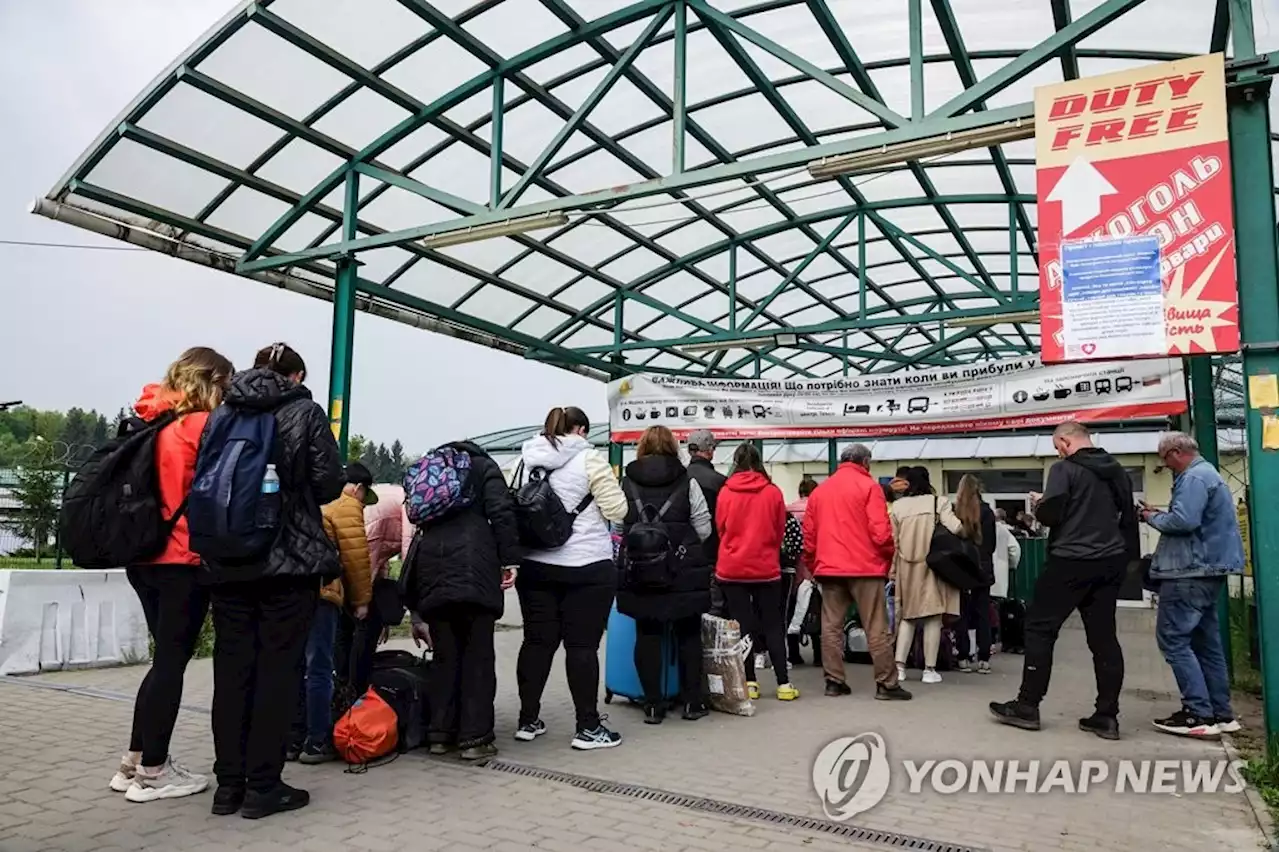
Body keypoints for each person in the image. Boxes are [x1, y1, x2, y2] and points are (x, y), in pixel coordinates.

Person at [204, 343, 344, 819]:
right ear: (297, 373)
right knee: (278, 672)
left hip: (228, 563)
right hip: (286, 563)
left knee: (232, 672)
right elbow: (328, 483)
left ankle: (228, 787)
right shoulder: (304, 411)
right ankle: (263, 787)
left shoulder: (223, 411)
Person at [111, 347, 233, 803]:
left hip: (141, 555)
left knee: (163, 660)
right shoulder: (200, 426)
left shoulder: (148, 419)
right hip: (181, 559)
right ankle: (155, 773)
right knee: (172, 664)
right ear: (212, 381)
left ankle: (133, 761)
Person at [990, 421, 1137, 740]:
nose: (1058, 451)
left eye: (1058, 446)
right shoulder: (1117, 471)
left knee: (1040, 629)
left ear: (1066, 442)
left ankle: (1027, 705)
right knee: (1104, 638)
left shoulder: (1064, 469)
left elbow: (1051, 516)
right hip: (1110, 561)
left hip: (1070, 560)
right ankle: (1107, 716)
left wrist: (1041, 503)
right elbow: (1125, 516)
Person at [514, 406, 628, 750]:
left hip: (535, 565)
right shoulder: (591, 459)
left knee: (536, 643)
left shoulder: (526, 459)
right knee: (581, 647)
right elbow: (618, 510)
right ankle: (587, 727)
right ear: (579, 429)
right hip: (586, 567)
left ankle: (528, 720)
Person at [403, 441, 520, 760]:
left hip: (432, 566)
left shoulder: (435, 470)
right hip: (474, 566)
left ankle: (441, 734)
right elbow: (502, 513)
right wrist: (510, 560)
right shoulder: (484, 467)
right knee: (478, 656)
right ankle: (474, 738)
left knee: (445, 656)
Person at [1142, 433, 1245, 738]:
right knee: (1206, 644)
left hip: (1188, 571)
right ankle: (1221, 714)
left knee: (1173, 640)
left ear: (1175, 453)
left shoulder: (1194, 478)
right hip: (1208, 571)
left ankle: (1197, 714)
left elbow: (1183, 521)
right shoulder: (1209, 474)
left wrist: (1150, 516)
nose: (1166, 466)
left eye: (1165, 460)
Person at [618, 425, 714, 724]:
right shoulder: (688, 480)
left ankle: (653, 706)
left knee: (647, 635)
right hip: (682, 571)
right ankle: (692, 703)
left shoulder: (626, 483)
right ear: (674, 448)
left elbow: (618, 527)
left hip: (640, 571)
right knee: (687, 635)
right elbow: (704, 527)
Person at [802, 444, 909, 700]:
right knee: (876, 626)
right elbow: (881, 533)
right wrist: (885, 558)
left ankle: (834, 681)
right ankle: (886, 684)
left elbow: (809, 536)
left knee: (831, 627)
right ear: (865, 462)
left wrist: (814, 564)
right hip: (865, 568)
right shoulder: (869, 487)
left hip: (829, 568)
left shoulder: (821, 491)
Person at [294, 462, 376, 765]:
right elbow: (356, 556)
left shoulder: (307, 496)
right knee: (319, 667)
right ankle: (317, 741)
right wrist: (362, 600)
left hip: (289, 590)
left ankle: (292, 738)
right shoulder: (347, 504)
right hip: (322, 592)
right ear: (358, 488)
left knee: (293, 666)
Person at [715, 443, 798, 701]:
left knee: (742, 626)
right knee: (773, 624)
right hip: (766, 567)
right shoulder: (773, 492)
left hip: (732, 568)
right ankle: (783, 684)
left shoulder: (726, 492)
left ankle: (749, 682)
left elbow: (721, 528)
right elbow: (779, 529)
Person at [890, 467, 968, 684]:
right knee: (933, 617)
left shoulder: (897, 506)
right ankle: (929, 670)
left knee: (907, 617)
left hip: (907, 567)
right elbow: (956, 528)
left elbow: (893, 542)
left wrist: (893, 570)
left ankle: (899, 667)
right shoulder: (938, 502)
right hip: (933, 566)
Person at [953, 475, 997, 674]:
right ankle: (984, 658)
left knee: (961, 612)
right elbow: (991, 545)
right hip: (983, 567)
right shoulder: (987, 511)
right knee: (982, 613)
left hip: (961, 567)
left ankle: (963, 656)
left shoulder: (955, 512)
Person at [687, 429, 727, 616]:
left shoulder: (680, 479)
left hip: (685, 556)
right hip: (714, 556)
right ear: (710, 450)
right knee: (715, 612)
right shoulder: (720, 482)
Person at [785, 477, 819, 666]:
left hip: (793, 568)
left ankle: (794, 654)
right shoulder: (818, 510)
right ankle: (819, 655)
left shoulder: (789, 510)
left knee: (792, 610)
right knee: (815, 608)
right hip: (813, 565)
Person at [992, 509, 1022, 601]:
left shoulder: (973, 527)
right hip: (998, 579)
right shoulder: (1003, 530)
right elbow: (1015, 549)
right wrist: (1011, 566)